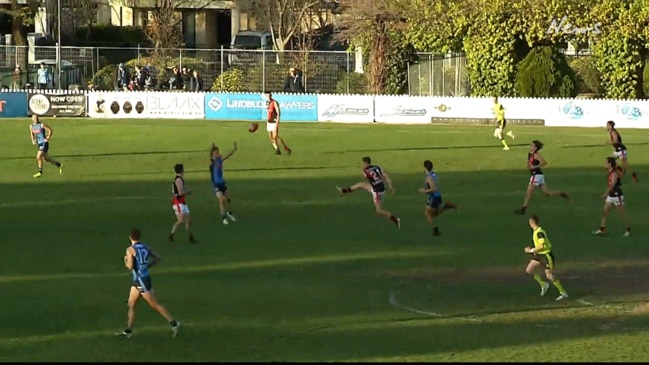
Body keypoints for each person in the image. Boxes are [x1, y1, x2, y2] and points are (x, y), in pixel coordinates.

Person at [116, 228, 181, 338]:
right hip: (140, 279)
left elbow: (130, 266)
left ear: (130, 237)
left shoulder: (130, 250)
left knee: (154, 304)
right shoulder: (145, 247)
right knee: (131, 304)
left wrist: (126, 260)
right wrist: (148, 265)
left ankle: (174, 323)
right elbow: (158, 257)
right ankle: (128, 330)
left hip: (141, 280)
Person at [337, 156, 400, 229]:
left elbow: (365, 176)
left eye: (363, 163)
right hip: (381, 188)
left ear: (365, 163)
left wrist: (364, 171)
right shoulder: (377, 167)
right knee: (360, 184)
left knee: (379, 210)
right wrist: (391, 187)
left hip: (377, 191)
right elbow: (386, 176)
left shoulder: (365, 170)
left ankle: (395, 219)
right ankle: (344, 191)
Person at [515, 140, 569, 215]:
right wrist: (529, 166)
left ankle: (523, 209)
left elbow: (544, 162)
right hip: (539, 176)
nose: (530, 147)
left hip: (536, 175)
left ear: (536, 148)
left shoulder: (536, 154)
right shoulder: (530, 154)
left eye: (532, 146)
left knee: (529, 192)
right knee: (547, 193)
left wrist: (535, 166)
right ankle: (561, 193)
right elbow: (529, 163)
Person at [524, 215, 568, 301]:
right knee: (529, 270)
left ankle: (563, 292)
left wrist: (531, 250)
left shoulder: (539, 232)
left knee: (549, 275)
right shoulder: (536, 231)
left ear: (531, 222)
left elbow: (542, 245)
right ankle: (543, 284)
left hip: (546, 256)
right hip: (539, 255)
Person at [593, 157, 631, 237]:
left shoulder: (614, 173)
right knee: (605, 212)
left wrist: (605, 194)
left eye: (606, 163)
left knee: (621, 214)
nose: (605, 164)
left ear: (610, 164)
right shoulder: (611, 172)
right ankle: (602, 229)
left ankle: (628, 229)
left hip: (617, 195)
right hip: (611, 195)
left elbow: (612, 185)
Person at [418, 160, 457, 236]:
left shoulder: (429, 178)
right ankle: (446, 206)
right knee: (433, 213)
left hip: (434, 197)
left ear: (425, 168)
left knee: (428, 214)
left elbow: (434, 189)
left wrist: (424, 191)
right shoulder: (432, 174)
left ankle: (435, 230)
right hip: (436, 196)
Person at [210, 142, 237, 225]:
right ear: (212, 155)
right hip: (216, 184)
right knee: (222, 200)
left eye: (218, 152)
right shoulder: (212, 163)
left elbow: (227, 155)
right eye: (216, 153)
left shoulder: (220, 160)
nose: (218, 154)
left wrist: (233, 150)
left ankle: (229, 213)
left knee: (228, 199)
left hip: (222, 183)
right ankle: (223, 217)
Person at [169, 164, 196, 243]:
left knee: (188, 219)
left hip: (182, 202)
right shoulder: (179, 180)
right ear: (181, 170)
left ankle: (190, 237)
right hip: (178, 202)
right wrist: (188, 192)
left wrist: (187, 190)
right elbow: (180, 193)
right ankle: (171, 234)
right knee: (180, 220)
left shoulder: (180, 179)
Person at [265, 91, 292, 155]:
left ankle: (285, 147)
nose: (268, 97)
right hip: (269, 122)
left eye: (269, 96)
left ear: (271, 95)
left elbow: (278, 112)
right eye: (267, 96)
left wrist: (277, 121)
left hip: (274, 122)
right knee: (271, 138)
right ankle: (277, 149)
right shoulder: (267, 103)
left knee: (275, 137)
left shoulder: (274, 102)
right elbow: (268, 112)